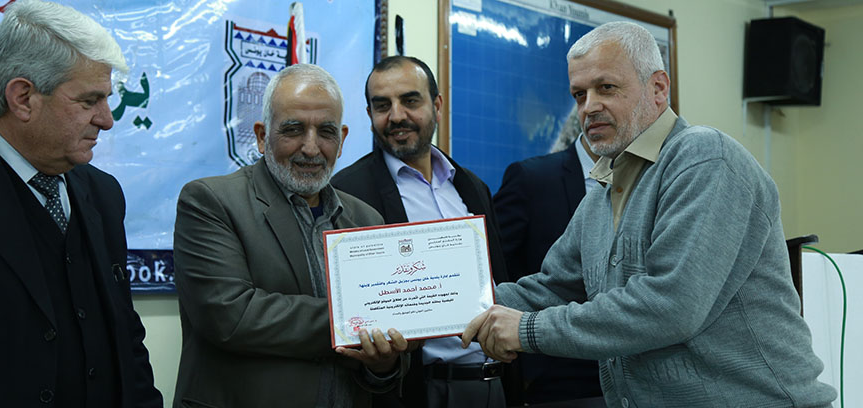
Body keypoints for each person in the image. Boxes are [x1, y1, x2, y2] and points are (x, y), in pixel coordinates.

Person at [463, 21, 838, 407]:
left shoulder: (705, 158)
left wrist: (527, 330)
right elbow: (551, 289)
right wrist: (447, 303)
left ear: (658, 88)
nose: (589, 107)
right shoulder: (602, 194)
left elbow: (671, 305)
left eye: (606, 87)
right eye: (579, 94)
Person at [0, 1, 162, 407]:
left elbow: (126, 339)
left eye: (107, 100)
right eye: (89, 101)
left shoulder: (104, 194)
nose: (107, 119)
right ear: (23, 98)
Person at [173, 63, 410, 408]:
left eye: (326, 132)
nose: (311, 148)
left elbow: (381, 358)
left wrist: (383, 361)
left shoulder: (366, 219)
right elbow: (232, 316)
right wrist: (360, 319)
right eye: (293, 129)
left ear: (342, 140)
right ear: (261, 136)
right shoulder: (211, 201)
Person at [332, 56, 510, 408]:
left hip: (494, 383)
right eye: (382, 106)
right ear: (369, 115)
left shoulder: (471, 186)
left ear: (437, 106)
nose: (396, 116)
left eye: (410, 100)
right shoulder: (348, 192)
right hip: (416, 390)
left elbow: (499, 281)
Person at [493, 129, 604, 404]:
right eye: (582, 103)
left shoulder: (647, 180)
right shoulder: (532, 178)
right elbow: (496, 264)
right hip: (554, 372)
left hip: (631, 366)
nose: (593, 108)